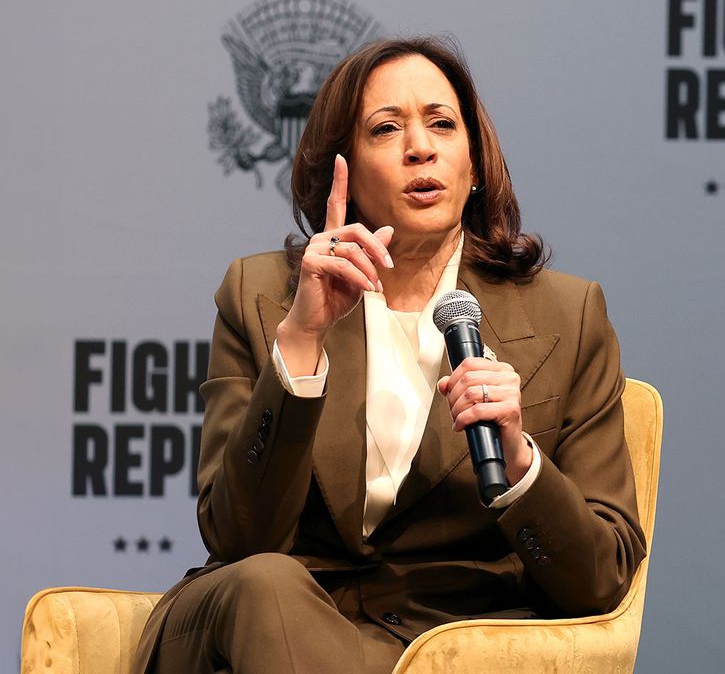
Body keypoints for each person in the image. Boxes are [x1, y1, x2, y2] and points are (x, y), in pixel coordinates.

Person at [133, 36, 646, 674]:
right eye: (386, 129)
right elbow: (238, 538)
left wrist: (519, 462)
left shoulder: (566, 316)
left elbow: (602, 579)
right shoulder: (262, 295)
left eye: (442, 124)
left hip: (451, 639)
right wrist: (299, 346)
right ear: (339, 171)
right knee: (266, 584)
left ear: (475, 163)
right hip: (270, 622)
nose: (421, 147)